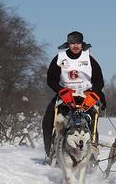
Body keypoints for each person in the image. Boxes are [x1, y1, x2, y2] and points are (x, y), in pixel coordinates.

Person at [42, 31, 106, 161]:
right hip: (65, 94)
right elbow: (51, 78)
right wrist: (61, 90)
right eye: (72, 43)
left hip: (86, 93)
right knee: (48, 120)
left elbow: (99, 80)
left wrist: (94, 93)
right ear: (68, 44)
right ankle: (50, 152)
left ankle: (93, 150)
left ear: (82, 44)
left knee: (93, 121)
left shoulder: (88, 58)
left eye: (78, 43)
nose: (75, 46)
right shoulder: (60, 58)